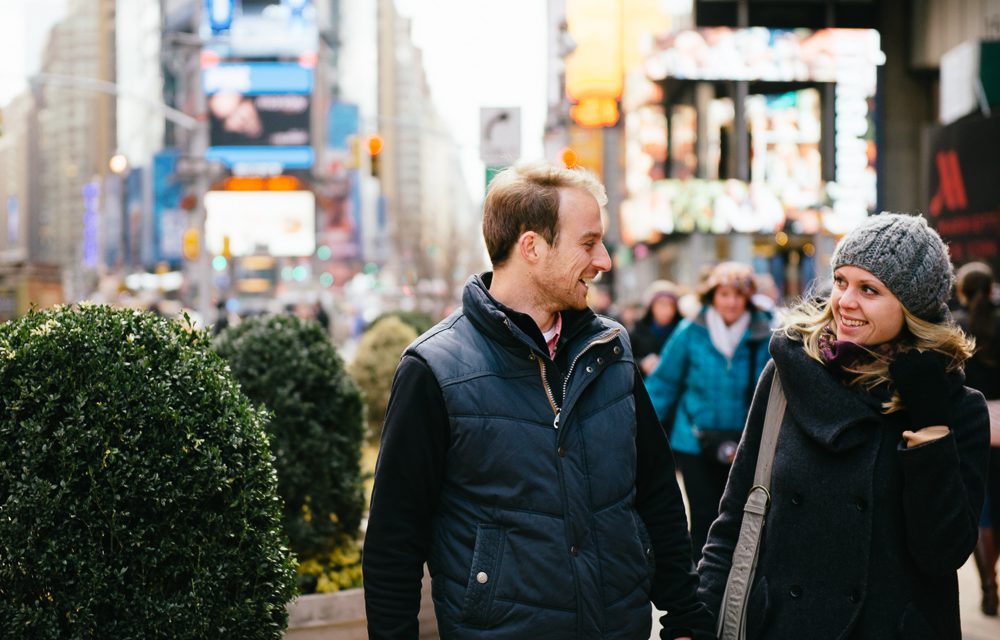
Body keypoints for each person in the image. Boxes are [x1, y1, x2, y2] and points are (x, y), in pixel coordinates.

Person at [363, 162, 713, 639]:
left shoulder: (611, 350)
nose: (604, 260)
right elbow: (393, 542)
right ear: (532, 246)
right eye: (588, 243)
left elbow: (656, 496)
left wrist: (685, 617)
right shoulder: (434, 369)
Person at [698, 213, 991, 639]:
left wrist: (930, 428)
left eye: (868, 289)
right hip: (781, 626)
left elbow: (942, 553)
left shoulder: (955, 408)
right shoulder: (787, 376)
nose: (844, 302)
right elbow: (733, 518)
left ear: (913, 307)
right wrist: (702, 617)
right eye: (840, 281)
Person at [644, 262, 772, 563]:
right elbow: (664, 381)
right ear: (712, 295)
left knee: (743, 518)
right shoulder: (690, 331)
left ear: (749, 298)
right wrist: (637, 425)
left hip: (745, 444)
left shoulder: (764, 333)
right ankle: (700, 591)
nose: (731, 302)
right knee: (702, 517)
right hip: (693, 440)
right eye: (724, 293)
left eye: (738, 295)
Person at [954, 261, 1000, 616]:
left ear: (963, 292)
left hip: (973, 424)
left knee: (980, 508)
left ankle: (987, 583)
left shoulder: (956, 327)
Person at [632, 280, 683, 378]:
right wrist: (642, 364)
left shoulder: (682, 331)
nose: (667, 309)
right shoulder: (638, 331)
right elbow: (625, 362)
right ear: (651, 306)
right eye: (661, 304)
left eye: (671, 304)